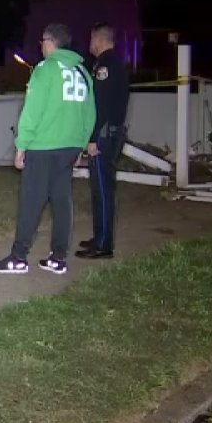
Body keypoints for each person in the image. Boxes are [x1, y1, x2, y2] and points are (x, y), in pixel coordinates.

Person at [0, 23, 96, 275]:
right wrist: (80, 145)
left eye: (42, 42)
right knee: (62, 201)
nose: (41, 47)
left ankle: (18, 257)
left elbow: (32, 110)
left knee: (31, 202)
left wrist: (21, 145)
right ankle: (58, 258)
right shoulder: (83, 72)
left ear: (50, 42)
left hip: (44, 146)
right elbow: (90, 113)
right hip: (69, 146)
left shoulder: (45, 69)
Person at [76, 23, 131, 260]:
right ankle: (99, 237)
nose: (89, 44)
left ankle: (104, 245)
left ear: (99, 39)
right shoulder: (111, 63)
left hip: (103, 136)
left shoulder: (106, 66)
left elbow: (101, 106)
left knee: (103, 190)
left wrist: (93, 139)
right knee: (99, 190)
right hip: (108, 134)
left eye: (91, 39)